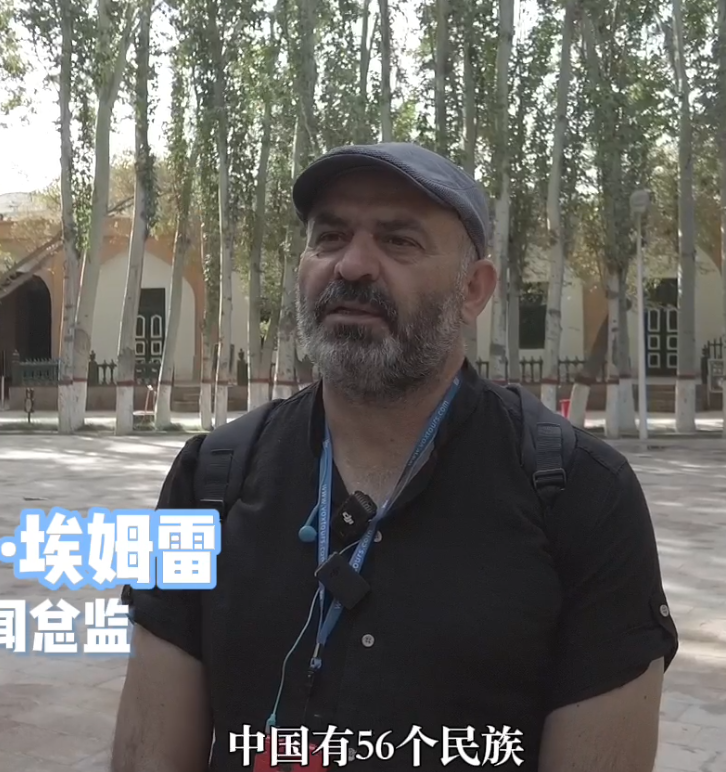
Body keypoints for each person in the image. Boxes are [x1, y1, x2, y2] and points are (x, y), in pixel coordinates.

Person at [111, 142, 679, 772]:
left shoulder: (580, 496)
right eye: (329, 237)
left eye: (399, 241)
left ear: (473, 290)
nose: (352, 265)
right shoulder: (210, 480)